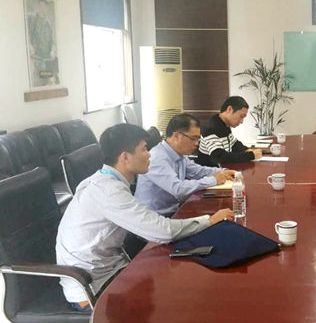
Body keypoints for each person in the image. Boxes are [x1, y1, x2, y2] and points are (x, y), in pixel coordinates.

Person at [55, 124, 234, 311]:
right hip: (92, 288)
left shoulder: (102, 179)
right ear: (125, 157)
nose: (149, 155)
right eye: (144, 149)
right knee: (180, 297)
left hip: (109, 269)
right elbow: (163, 231)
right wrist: (210, 220)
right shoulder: (110, 191)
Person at [135, 113, 236, 216]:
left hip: (174, 210)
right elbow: (178, 189)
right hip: (155, 217)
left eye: (198, 139)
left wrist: (223, 172)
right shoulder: (157, 158)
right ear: (177, 136)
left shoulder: (179, 155)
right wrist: (214, 180)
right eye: (193, 139)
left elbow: (198, 171)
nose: (197, 143)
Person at [195, 96, 263, 166]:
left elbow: (235, 144)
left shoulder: (224, 125)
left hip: (223, 169)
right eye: (241, 116)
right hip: (209, 171)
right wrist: (250, 155)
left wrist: (246, 150)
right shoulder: (210, 128)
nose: (242, 121)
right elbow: (219, 157)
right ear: (229, 109)